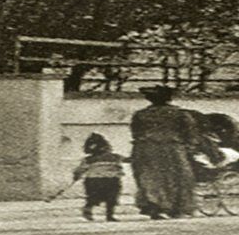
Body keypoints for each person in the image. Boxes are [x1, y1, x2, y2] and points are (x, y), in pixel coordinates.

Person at [129, 85, 197, 219]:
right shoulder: (180, 114)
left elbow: (135, 132)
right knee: (178, 177)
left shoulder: (141, 114)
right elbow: (190, 132)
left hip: (145, 148)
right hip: (171, 148)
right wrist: (190, 147)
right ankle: (176, 208)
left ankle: (154, 206)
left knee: (149, 177)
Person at [72, 133, 127, 221]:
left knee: (93, 197)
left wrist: (76, 176)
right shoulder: (115, 157)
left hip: (93, 180)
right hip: (112, 180)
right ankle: (109, 215)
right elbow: (128, 160)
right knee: (111, 198)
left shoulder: (88, 159)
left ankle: (88, 209)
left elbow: (80, 170)